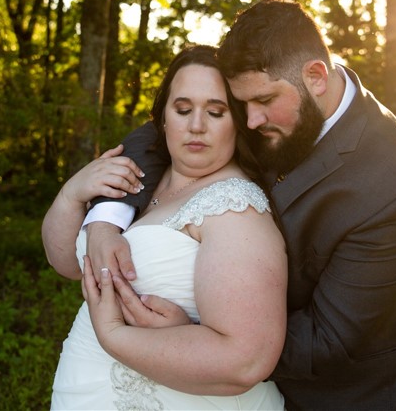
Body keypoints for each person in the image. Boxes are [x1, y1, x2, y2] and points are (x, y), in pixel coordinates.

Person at [84, 0, 396, 410]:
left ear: (315, 77)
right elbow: (158, 132)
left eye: (262, 102)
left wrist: (197, 332)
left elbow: (327, 340)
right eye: (240, 105)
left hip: (357, 394)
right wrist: (105, 218)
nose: (250, 121)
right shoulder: (269, 93)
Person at [42, 44, 287, 410]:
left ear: (238, 122)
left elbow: (244, 361)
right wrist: (71, 193)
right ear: (163, 118)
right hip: (82, 384)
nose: (196, 126)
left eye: (216, 112)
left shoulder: (235, 208)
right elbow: (67, 265)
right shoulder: (136, 178)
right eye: (183, 109)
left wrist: (113, 336)